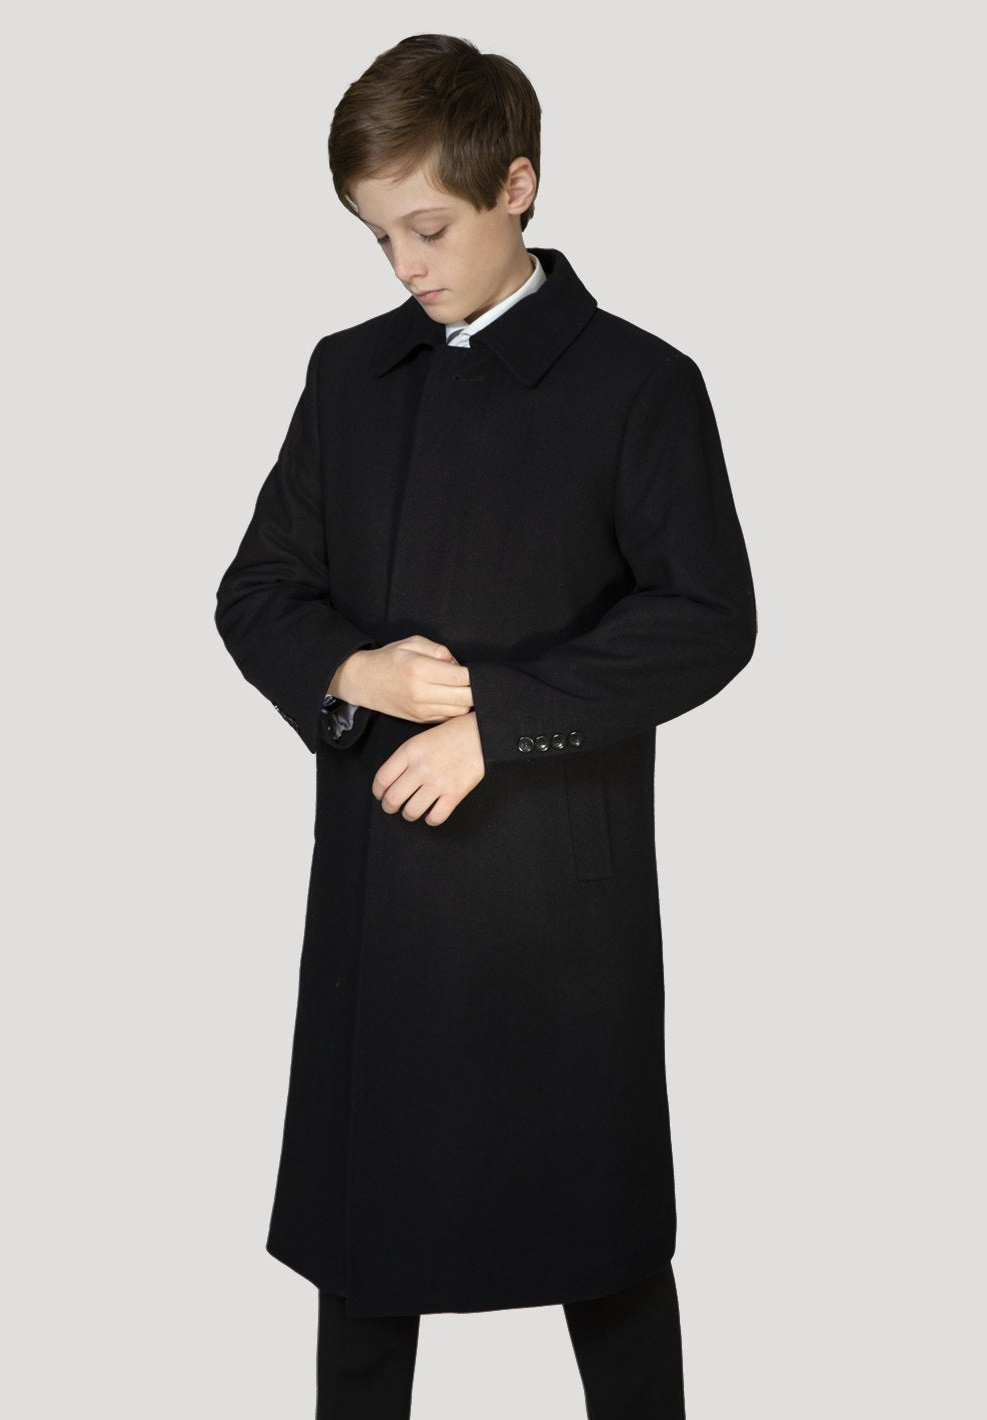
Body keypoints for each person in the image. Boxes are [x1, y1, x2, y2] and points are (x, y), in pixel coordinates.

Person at [214, 32, 756, 1419]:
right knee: (364, 1263)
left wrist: (498, 720)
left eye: (428, 228)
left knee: (606, 1253)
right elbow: (258, 590)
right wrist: (352, 669)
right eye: (376, 236)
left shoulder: (639, 384)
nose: (403, 265)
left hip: (555, 904)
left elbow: (706, 617)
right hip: (383, 891)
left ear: (516, 186)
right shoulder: (348, 376)